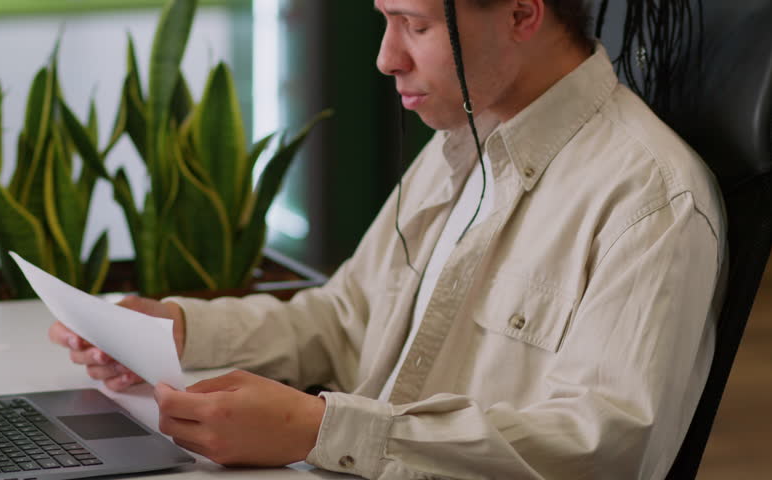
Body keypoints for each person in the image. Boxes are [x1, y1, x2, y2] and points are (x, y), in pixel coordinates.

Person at [49, 0, 727, 478]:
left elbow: (601, 448)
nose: (385, 57)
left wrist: (322, 430)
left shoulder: (650, 198)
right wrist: (176, 330)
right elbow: (348, 320)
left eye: (415, 23)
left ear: (522, 14)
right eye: (384, 20)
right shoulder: (461, 139)